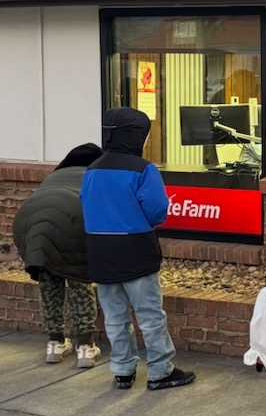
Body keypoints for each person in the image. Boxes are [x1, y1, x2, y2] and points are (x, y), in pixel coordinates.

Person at [79, 108, 193, 391]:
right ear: (137, 136)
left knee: (115, 317)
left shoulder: (92, 169)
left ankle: (122, 370)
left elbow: (84, 204)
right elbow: (157, 210)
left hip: (100, 251)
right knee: (150, 316)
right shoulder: (143, 169)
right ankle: (160, 370)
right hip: (135, 249)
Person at [12, 142, 104, 368]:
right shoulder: (95, 176)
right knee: (79, 282)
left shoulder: (54, 176)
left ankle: (55, 344)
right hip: (72, 219)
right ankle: (85, 348)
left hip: (30, 222)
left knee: (49, 282)